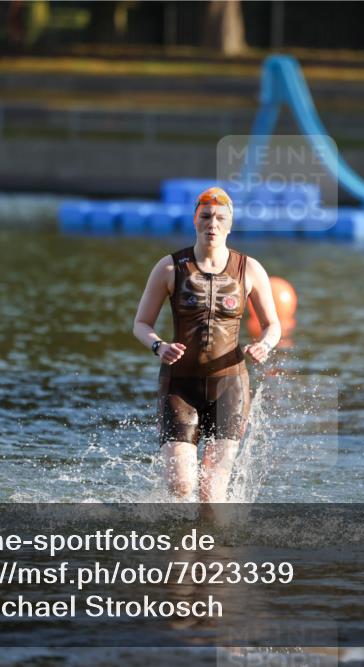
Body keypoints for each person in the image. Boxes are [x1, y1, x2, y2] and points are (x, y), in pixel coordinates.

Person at [133, 186, 281, 503]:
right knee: (180, 485)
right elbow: (140, 324)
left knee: (211, 494)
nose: (212, 224)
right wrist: (159, 346)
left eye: (219, 218)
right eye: (206, 216)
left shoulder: (249, 269)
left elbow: (273, 325)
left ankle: (212, 550)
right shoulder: (170, 267)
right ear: (195, 220)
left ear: (229, 225)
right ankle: (178, 545)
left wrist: (265, 345)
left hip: (230, 386)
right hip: (180, 386)